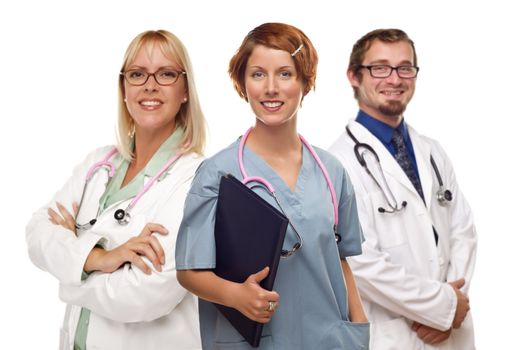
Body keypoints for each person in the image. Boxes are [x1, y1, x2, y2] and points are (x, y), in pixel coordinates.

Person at [175, 22, 370, 350]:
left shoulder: (331, 170)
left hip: (331, 340)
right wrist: (234, 295)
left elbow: (338, 258)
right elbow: (188, 271)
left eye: (285, 74)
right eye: (257, 74)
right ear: (243, 83)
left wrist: (359, 324)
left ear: (305, 82)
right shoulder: (218, 174)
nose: (270, 88)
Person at [26, 29, 206, 350]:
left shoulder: (197, 179)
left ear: (185, 90)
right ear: (123, 88)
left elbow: (143, 294)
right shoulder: (99, 164)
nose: (150, 85)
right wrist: (100, 259)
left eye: (166, 74)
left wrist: (69, 269)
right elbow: (37, 233)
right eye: (137, 74)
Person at [328, 28, 477, 349]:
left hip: (452, 332)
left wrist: (454, 304)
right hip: (396, 334)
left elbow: (463, 231)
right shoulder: (336, 164)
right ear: (354, 76)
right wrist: (441, 308)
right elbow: (358, 260)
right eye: (380, 67)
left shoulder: (433, 151)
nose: (394, 79)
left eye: (404, 68)